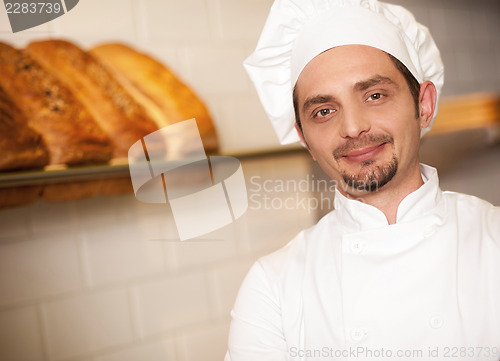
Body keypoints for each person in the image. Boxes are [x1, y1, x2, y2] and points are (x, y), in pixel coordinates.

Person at [225, 0, 500, 360]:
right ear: (304, 137)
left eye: (374, 95)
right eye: (324, 111)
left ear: (424, 105)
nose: (353, 127)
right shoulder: (273, 287)